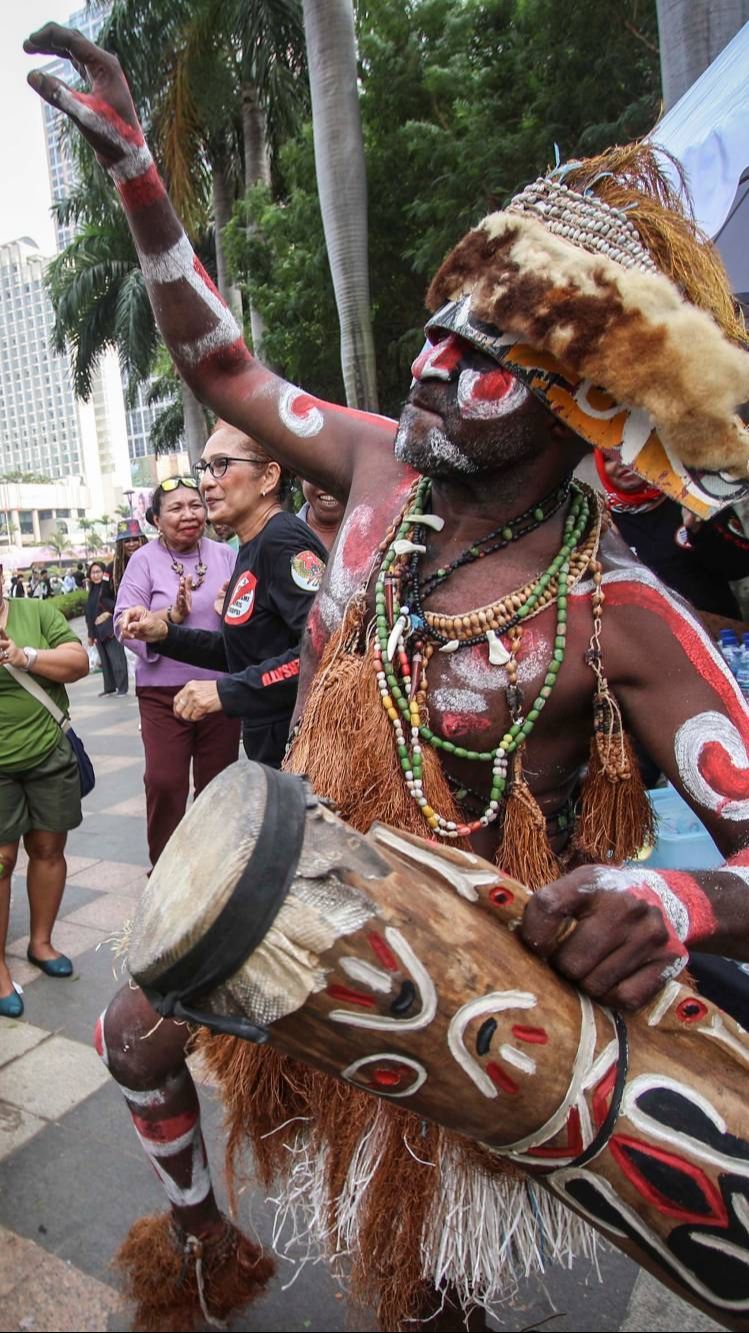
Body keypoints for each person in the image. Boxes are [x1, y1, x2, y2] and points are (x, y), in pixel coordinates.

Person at [27, 24, 749, 1331]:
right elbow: (223, 368)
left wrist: (678, 900)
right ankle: (200, 1240)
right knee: (131, 1040)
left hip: (451, 974)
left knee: (416, 1281)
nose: (428, 364)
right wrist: (141, 181)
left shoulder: (621, 616)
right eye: (435, 332)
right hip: (291, 875)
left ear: (578, 405)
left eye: (482, 360)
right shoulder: (376, 475)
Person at [120, 429, 327, 769]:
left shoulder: (283, 541)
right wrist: (164, 635)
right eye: (205, 468)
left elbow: (324, 651)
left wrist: (224, 692)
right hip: (274, 744)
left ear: (269, 477)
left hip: (306, 748)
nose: (206, 483)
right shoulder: (253, 546)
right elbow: (244, 652)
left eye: (222, 465)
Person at [113, 479, 240, 866]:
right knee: (165, 782)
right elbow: (122, 622)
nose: (189, 515)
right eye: (176, 508)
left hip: (218, 689)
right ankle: (166, 870)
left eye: (195, 505)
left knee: (218, 784)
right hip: (162, 692)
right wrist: (168, 618)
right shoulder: (144, 560)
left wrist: (229, 612)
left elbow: (251, 618)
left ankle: (212, 868)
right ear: (155, 519)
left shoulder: (227, 555)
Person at [0, 564, 89, 1017]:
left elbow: (79, 662)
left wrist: (24, 656)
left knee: (48, 849)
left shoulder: (35, 612)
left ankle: (41, 942)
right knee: (1, 861)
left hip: (48, 755)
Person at [594, 450, 749, 621]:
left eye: (632, 452)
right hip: (651, 641)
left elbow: (741, 565)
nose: (622, 462)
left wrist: (700, 530)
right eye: (609, 459)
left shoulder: (694, 498)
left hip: (719, 637)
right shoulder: (602, 522)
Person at [85, 560, 128, 696]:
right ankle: (109, 687)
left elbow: (119, 604)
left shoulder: (109, 588)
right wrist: (90, 635)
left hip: (110, 629)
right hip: (97, 632)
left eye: (98, 572)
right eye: (93, 573)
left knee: (117, 659)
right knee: (105, 661)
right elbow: (89, 614)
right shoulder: (92, 591)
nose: (96, 575)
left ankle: (122, 688)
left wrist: (108, 613)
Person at [297, 479, 345, 551]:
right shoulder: (282, 537)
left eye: (340, 475)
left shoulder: (367, 535)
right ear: (301, 478)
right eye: (319, 474)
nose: (329, 486)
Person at [110, 517, 147, 595]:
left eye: (135, 540)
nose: (131, 544)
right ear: (120, 545)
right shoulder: (112, 568)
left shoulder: (151, 564)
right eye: (127, 541)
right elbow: (104, 597)